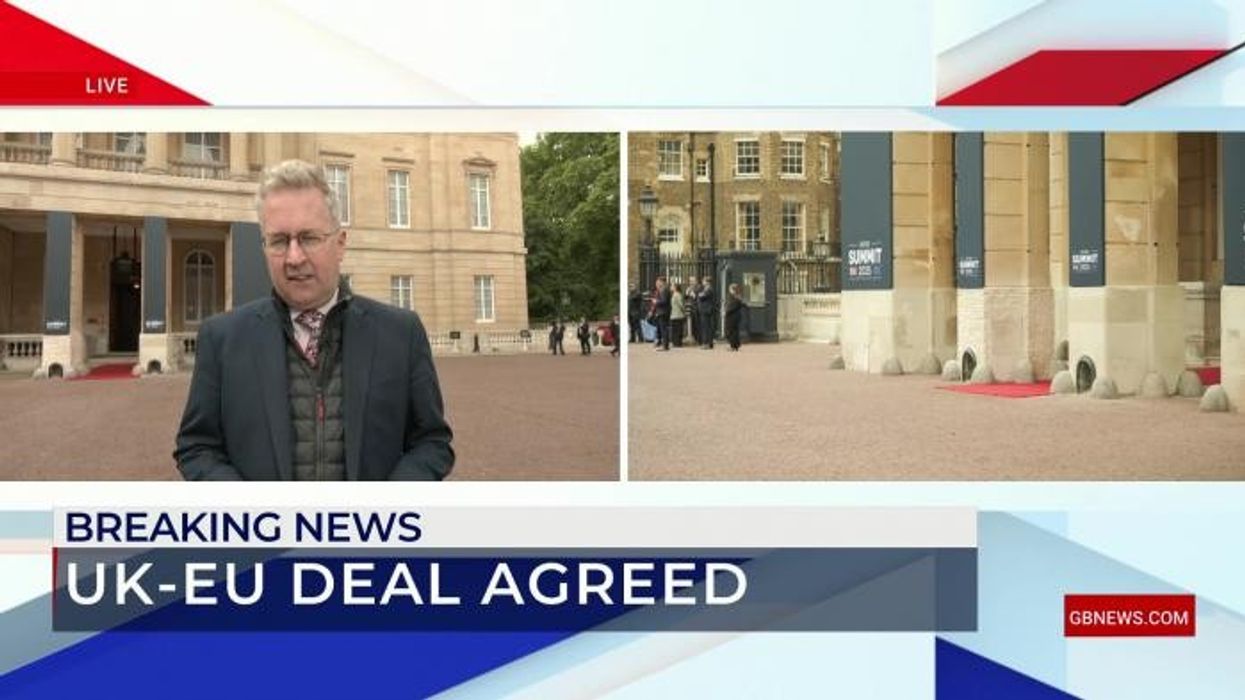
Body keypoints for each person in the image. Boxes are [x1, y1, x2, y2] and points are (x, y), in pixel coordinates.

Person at [174, 159, 454, 481]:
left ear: (340, 244)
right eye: (279, 241)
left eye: (308, 238)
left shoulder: (401, 334)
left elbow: (432, 443)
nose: (294, 258)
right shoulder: (222, 339)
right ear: (264, 247)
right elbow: (196, 448)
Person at [698, 276, 717, 349]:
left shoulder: (708, 289)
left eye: (703, 281)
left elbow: (701, 296)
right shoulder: (706, 289)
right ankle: (708, 343)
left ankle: (706, 343)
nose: (702, 282)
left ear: (707, 282)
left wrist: (700, 295)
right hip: (706, 310)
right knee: (707, 327)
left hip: (706, 310)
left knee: (706, 327)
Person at [652, 277, 671, 351]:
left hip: (663, 312)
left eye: (658, 282)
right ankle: (664, 345)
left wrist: (656, 301)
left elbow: (664, 301)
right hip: (663, 311)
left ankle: (665, 346)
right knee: (663, 329)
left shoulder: (664, 289)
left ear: (662, 282)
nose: (657, 283)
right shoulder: (664, 289)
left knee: (664, 329)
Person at [724, 282, 744, 351]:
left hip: (732, 316)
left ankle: (732, 345)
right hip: (736, 316)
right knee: (735, 331)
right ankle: (736, 345)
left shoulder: (734, 297)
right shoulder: (738, 296)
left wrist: (725, 311)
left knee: (731, 331)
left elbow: (731, 307)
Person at [686, 275, 702, 346]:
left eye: (692, 281)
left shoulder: (699, 287)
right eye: (690, 281)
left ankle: (700, 340)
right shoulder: (690, 288)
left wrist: (693, 294)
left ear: (696, 281)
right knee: (693, 325)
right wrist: (687, 292)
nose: (691, 282)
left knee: (698, 325)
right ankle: (695, 338)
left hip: (697, 308)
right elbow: (686, 297)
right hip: (692, 308)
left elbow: (697, 297)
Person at [669, 283, 686, 348]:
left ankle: (678, 343)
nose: (671, 287)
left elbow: (681, 304)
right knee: (675, 329)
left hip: (678, 314)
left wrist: (683, 312)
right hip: (674, 314)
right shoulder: (674, 294)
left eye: (672, 286)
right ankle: (675, 342)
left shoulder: (678, 295)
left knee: (678, 329)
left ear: (675, 287)